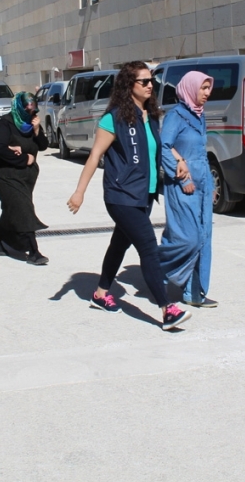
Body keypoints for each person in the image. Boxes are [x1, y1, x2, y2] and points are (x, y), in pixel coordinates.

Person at [67, 61, 191, 331]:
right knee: (148, 246)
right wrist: (79, 192)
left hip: (143, 195)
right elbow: (95, 155)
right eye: (144, 81)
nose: (150, 86)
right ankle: (166, 309)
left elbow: (157, 148)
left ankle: (100, 293)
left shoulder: (150, 115)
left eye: (151, 82)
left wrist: (178, 159)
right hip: (121, 195)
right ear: (128, 85)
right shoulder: (113, 118)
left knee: (119, 244)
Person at [159, 71, 217, 307]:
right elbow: (164, 147)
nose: (207, 93)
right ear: (190, 88)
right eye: (203, 88)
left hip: (202, 187)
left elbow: (201, 154)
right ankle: (157, 267)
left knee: (203, 239)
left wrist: (210, 185)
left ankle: (194, 293)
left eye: (208, 88)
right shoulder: (176, 116)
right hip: (183, 187)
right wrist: (184, 179)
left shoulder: (199, 116)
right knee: (187, 239)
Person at [0, 92, 49, 265]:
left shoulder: (32, 122)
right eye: (27, 108)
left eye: (33, 109)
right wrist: (24, 159)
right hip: (9, 176)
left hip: (27, 178)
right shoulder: (6, 122)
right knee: (24, 210)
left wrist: (37, 130)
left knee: (13, 211)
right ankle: (34, 251)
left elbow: (43, 146)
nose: (30, 112)